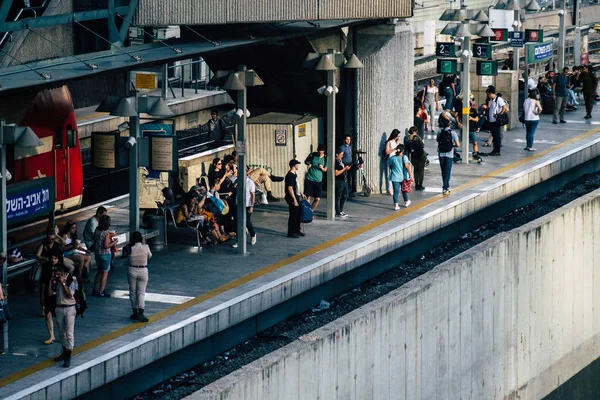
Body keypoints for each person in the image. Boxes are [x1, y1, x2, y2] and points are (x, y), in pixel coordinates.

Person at [52, 263, 78, 368]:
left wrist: (63, 283)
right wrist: (52, 281)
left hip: (70, 308)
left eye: (60, 274)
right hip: (59, 307)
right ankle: (64, 351)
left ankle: (68, 356)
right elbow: (50, 293)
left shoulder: (73, 280)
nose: (58, 276)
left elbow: (70, 294)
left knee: (69, 333)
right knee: (61, 333)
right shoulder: (56, 281)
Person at [127, 231, 152, 322]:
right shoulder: (146, 247)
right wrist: (144, 244)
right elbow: (150, 256)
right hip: (143, 270)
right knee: (141, 292)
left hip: (132, 270)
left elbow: (127, 255)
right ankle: (141, 313)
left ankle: (135, 312)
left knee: (133, 292)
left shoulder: (130, 248)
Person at [40, 249, 63, 345]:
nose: (53, 260)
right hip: (49, 294)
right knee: (48, 314)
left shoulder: (62, 269)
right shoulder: (46, 268)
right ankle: (51, 335)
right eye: (52, 258)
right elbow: (43, 283)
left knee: (60, 316)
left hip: (59, 294)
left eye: (55, 258)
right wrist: (42, 296)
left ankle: (62, 335)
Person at [92, 215, 118, 298]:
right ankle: (102, 291)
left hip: (97, 253)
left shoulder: (96, 230)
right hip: (105, 255)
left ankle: (95, 289)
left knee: (99, 271)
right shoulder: (106, 234)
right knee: (105, 273)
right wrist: (114, 242)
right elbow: (106, 246)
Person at [232, 176, 257, 248]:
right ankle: (238, 240)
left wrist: (252, 206)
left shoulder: (250, 182)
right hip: (238, 204)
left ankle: (253, 234)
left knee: (247, 221)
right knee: (237, 222)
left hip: (247, 205)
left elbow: (253, 194)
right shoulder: (237, 181)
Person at [388, 145, 413, 210]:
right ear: (403, 150)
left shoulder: (392, 158)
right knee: (404, 190)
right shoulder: (404, 157)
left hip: (394, 176)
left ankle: (396, 205)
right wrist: (411, 175)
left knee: (396, 192)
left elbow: (390, 166)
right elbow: (407, 166)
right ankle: (406, 201)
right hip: (403, 177)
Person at [304, 144, 328, 212]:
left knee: (317, 198)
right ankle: (307, 212)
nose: (320, 154)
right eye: (319, 152)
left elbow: (325, 169)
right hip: (309, 178)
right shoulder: (313, 155)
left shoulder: (326, 158)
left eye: (322, 152)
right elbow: (306, 161)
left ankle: (311, 210)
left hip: (318, 180)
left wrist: (322, 168)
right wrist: (309, 164)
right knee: (307, 197)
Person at [437, 127, 460, 195]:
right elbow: (458, 144)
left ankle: (446, 185)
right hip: (449, 155)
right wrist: (452, 145)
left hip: (441, 154)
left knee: (443, 171)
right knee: (447, 172)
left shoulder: (439, 131)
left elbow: (438, 140)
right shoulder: (453, 132)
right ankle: (445, 187)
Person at [285, 159, 305, 238]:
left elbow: (297, 185)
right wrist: (294, 200)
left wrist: (301, 193)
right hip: (292, 197)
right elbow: (290, 188)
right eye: (297, 164)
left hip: (297, 196)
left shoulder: (294, 174)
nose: (298, 166)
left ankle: (297, 230)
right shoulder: (290, 175)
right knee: (293, 215)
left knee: (298, 214)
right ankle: (291, 232)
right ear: (294, 165)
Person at [485, 85, 507, 156]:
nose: (488, 96)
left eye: (488, 94)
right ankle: (494, 150)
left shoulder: (499, 99)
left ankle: (497, 151)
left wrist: (500, 114)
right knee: (494, 136)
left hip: (496, 121)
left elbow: (504, 107)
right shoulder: (491, 100)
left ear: (491, 93)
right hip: (492, 120)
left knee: (497, 136)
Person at [406, 126, 426, 191]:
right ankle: (420, 185)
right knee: (421, 171)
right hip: (421, 156)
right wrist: (418, 136)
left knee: (416, 170)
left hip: (413, 156)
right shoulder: (417, 137)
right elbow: (422, 145)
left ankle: (416, 184)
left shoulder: (407, 138)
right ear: (415, 131)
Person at [383, 129, 402, 195]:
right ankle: (390, 189)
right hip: (391, 158)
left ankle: (396, 189)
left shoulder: (397, 142)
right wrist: (394, 149)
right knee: (390, 174)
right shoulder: (389, 142)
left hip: (398, 159)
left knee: (398, 173)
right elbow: (387, 152)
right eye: (397, 136)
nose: (398, 137)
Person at [334, 147, 351, 218]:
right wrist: (344, 169)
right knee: (338, 196)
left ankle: (341, 209)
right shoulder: (335, 162)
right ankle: (338, 211)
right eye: (341, 154)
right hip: (339, 181)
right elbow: (336, 173)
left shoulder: (341, 161)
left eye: (342, 154)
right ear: (337, 155)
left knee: (345, 195)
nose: (342, 156)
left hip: (344, 180)